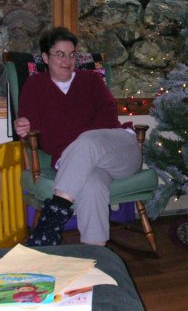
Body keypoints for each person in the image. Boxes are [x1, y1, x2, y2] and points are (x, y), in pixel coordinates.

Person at [14, 27, 142, 246]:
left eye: (72, 54)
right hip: (80, 165)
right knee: (92, 186)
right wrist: (22, 126)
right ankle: (95, 254)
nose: (67, 61)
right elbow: (28, 129)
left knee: (87, 142)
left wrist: (78, 142)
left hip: (119, 150)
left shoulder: (90, 80)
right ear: (45, 57)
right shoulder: (35, 87)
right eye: (60, 54)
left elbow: (109, 117)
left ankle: (51, 220)